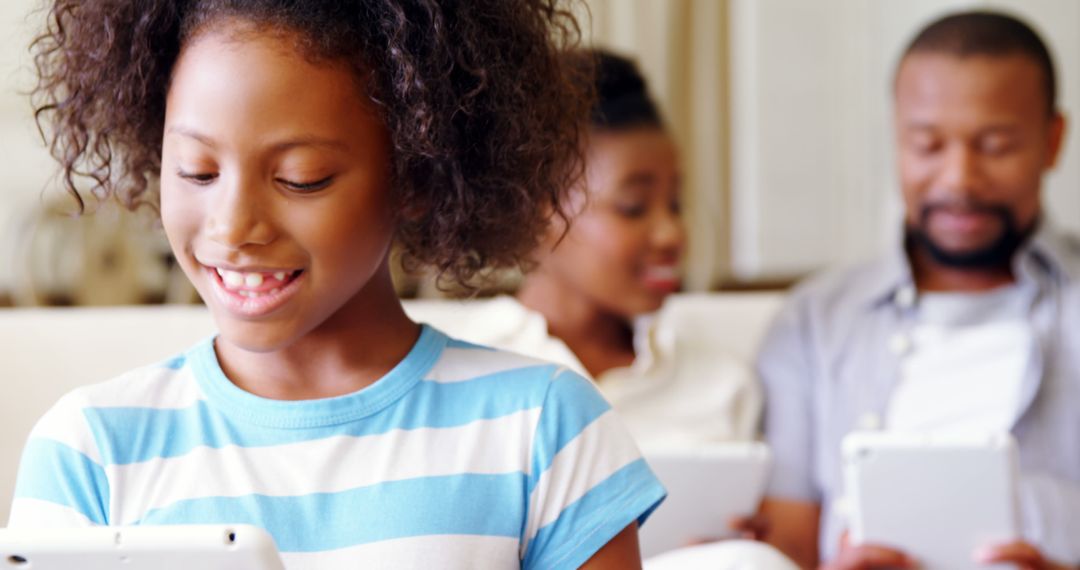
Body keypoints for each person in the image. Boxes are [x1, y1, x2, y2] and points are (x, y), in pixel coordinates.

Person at [8, 1, 666, 568]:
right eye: (197, 171)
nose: (233, 226)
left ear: (417, 176)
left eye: (302, 178)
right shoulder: (90, 448)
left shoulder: (544, 429)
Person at [754, 10, 1080, 569]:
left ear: (1053, 141)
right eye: (927, 145)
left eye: (997, 145)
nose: (958, 179)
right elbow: (788, 548)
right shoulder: (813, 321)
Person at [440, 50, 761, 451]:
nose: (671, 234)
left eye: (676, 204)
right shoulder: (455, 370)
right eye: (633, 206)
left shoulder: (724, 385)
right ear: (537, 210)